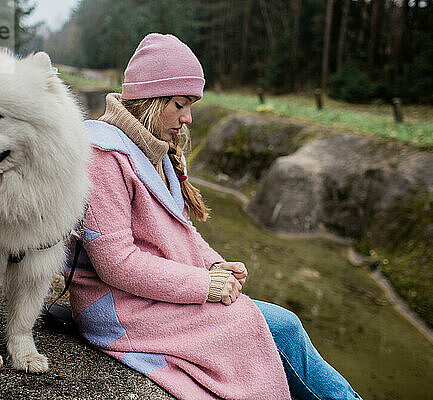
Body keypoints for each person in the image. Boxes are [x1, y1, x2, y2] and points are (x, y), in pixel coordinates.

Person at [65, 33, 363, 400]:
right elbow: (116, 264)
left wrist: (216, 265)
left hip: (153, 294)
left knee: (284, 326)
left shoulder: (159, 152)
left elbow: (183, 232)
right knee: (280, 327)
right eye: (180, 104)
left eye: (191, 105)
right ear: (152, 99)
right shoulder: (103, 155)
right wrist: (203, 284)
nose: (188, 118)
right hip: (118, 306)